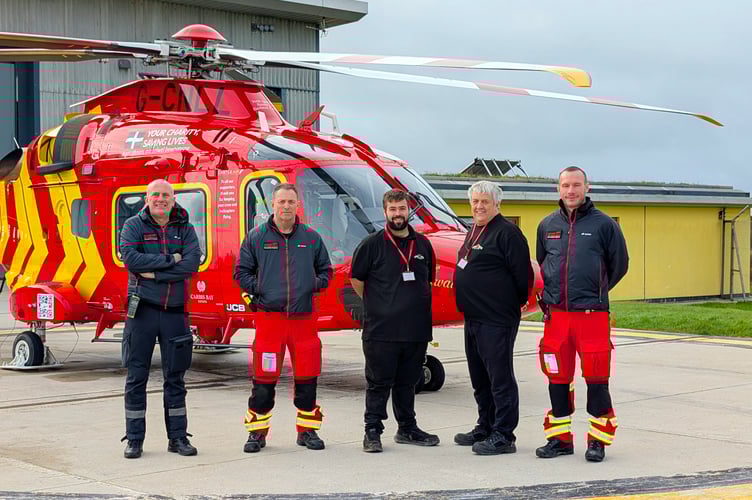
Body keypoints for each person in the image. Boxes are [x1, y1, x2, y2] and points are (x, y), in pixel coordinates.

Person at [535, 166, 628, 463]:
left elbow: (619, 265)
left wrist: (594, 291)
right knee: (557, 378)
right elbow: (543, 261)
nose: (571, 191)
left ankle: (597, 441)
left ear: (587, 187)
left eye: (576, 185)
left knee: (597, 379)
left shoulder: (604, 225)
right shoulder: (546, 224)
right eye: (565, 185)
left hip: (592, 317)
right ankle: (560, 439)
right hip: (556, 318)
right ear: (557, 189)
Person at [234, 183, 332, 453]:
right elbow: (241, 272)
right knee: (264, 381)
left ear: (297, 205)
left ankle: (307, 431)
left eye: (291, 202)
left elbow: (326, 271)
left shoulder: (311, 238)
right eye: (281, 202)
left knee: (307, 377)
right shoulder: (256, 237)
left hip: (303, 320)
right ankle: (257, 433)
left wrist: (312, 283)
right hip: (270, 320)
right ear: (273, 204)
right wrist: (261, 288)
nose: (286, 206)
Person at [350, 189, 440, 453]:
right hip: (381, 330)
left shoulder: (422, 244)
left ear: (407, 210)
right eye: (393, 209)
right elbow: (357, 280)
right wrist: (380, 305)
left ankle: (408, 429)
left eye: (402, 209)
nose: (398, 214)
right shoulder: (371, 244)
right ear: (385, 211)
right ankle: (372, 431)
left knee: (408, 383)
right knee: (378, 384)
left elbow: (428, 279)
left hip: (415, 330)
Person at [119, 179, 201, 459]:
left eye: (166, 195)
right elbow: (131, 260)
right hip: (142, 313)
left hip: (175, 313)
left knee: (176, 378)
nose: (161, 199)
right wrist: (171, 260)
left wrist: (154, 273)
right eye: (156, 194)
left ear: (173, 199)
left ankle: (178, 438)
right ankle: (134, 439)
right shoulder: (133, 226)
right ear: (147, 197)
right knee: (136, 377)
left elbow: (192, 264)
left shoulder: (186, 229)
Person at [453, 181, 532, 455]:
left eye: (485, 201)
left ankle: (503, 434)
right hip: (473, 318)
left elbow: (524, 278)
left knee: (499, 378)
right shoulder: (474, 230)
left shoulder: (508, 233)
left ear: (497, 204)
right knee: (480, 377)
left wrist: (509, 304)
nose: (479, 206)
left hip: (496, 319)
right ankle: (484, 425)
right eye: (475, 201)